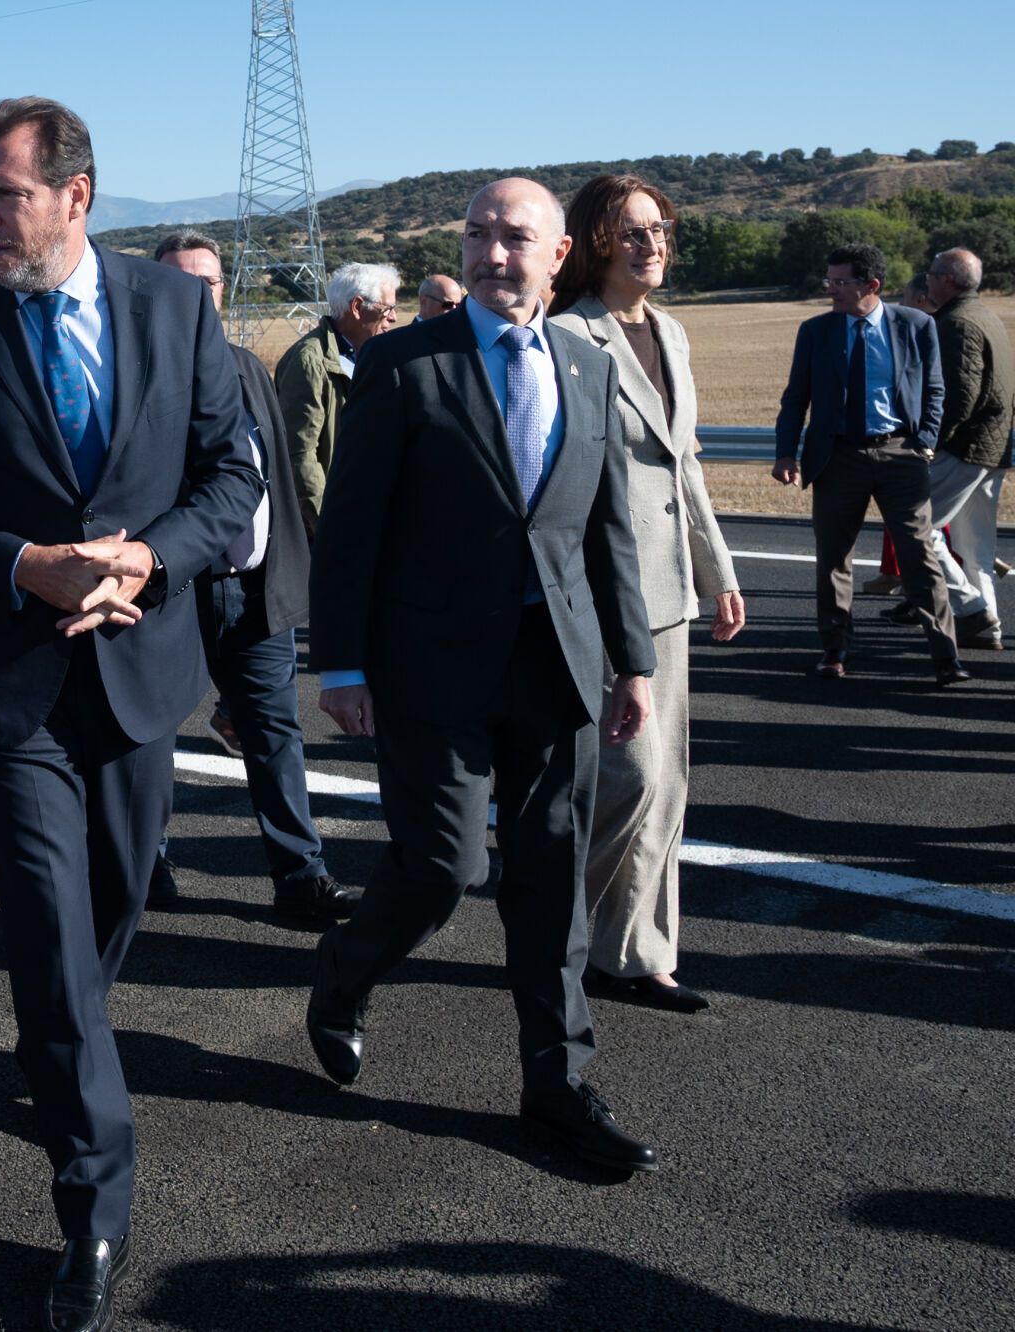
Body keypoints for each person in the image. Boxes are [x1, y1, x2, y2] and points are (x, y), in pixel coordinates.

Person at [0, 97, 260, 1332]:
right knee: (47, 929)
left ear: (75, 197)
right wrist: (19, 563)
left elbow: (230, 477)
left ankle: (57, 1045)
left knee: (111, 906)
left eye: (6, 195)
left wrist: (147, 558)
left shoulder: (173, 310)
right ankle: (93, 1203)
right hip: (13, 684)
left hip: (140, 669)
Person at [305, 178, 662, 1174]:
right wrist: (340, 664)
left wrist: (631, 660)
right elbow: (350, 530)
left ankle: (556, 1086)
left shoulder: (587, 366)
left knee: (549, 878)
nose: (491, 254)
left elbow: (605, 532)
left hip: (557, 665)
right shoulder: (401, 363)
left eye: (514, 237)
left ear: (559, 256)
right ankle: (343, 973)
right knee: (441, 866)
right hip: (430, 666)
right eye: (476, 234)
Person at [548, 175, 744, 1014]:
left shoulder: (672, 331)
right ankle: (563, 936)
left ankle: (639, 954)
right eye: (632, 232)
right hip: (597, 592)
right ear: (595, 242)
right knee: (626, 778)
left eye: (659, 228)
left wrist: (718, 569)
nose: (651, 244)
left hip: (668, 591)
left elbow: (682, 461)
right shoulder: (566, 335)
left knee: (666, 784)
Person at [148, 229, 350, 922]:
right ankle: (147, 863)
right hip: (170, 590)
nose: (195, 294)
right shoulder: (132, 373)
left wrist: (294, 569)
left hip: (255, 589)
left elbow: (278, 478)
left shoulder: (247, 368)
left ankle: (301, 877)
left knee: (273, 734)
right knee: (152, 734)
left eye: (206, 282)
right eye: (179, 281)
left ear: (221, 291)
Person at [772, 244, 964, 684]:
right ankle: (834, 650)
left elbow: (935, 390)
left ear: (871, 285)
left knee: (919, 555)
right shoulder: (816, 331)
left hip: (900, 454)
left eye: (840, 282)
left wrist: (924, 443)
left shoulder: (915, 325)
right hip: (838, 457)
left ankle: (945, 657)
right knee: (834, 558)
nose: (831, 290)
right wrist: (785, 453)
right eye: (830, 280)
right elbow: (796, 397)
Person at [919, 248, 1012, 649]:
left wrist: (929, 443)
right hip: (993, 446)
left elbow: (958, 396)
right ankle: (987, 626)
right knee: (976, 548)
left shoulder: (955, 323)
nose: (927, 279)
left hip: (964, 448)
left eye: (932, 273)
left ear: (948, 280)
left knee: (916, 525)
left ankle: (970, 608)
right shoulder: (985, 316)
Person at [275, 261, 400, 533]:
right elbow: (300, 455)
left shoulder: (374, 354)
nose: (393, 318)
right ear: (357, 307)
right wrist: (329, 528)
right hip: (333, 524)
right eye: (387, 309)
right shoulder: (309, 361)